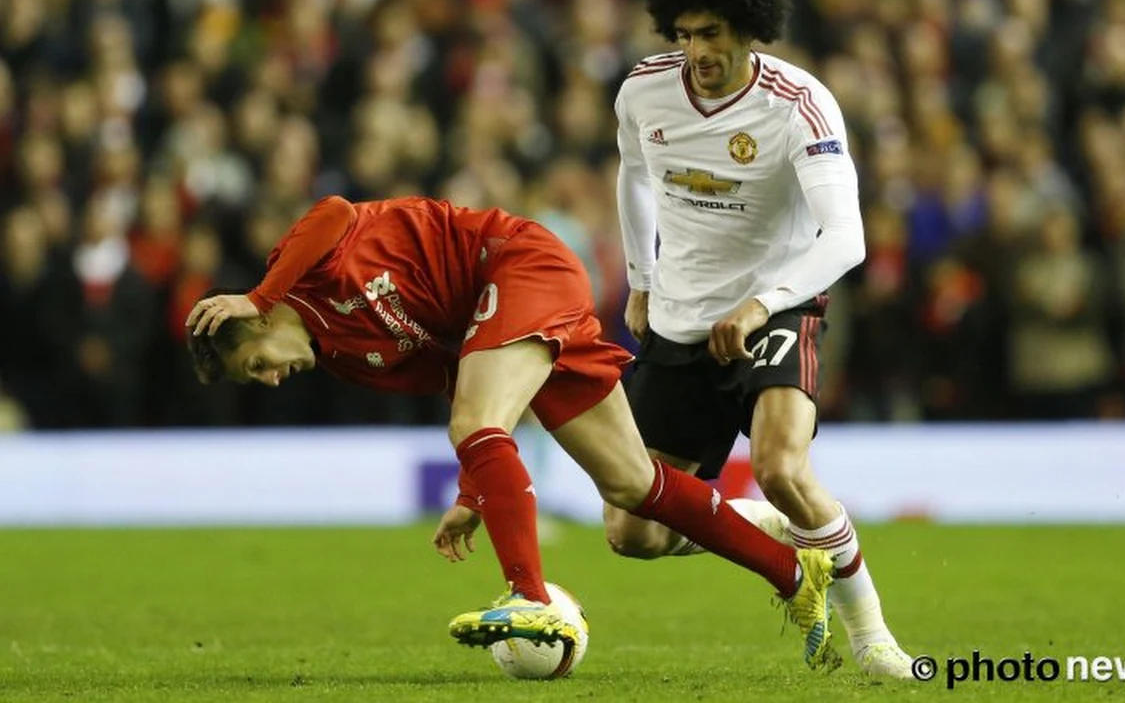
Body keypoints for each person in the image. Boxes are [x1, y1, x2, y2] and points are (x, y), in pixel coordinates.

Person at [184, 193, 836, 658]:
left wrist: (258, 293)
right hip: (500, 318)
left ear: (261, 323)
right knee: (634, 487)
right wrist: (473, 493)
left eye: (256, 364)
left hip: (517, 264)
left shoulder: (301, 272)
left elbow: (333, 210)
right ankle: (791, 574)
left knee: (479, 424)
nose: (270, 378)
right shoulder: (351, 360)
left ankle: (529, 594)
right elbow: (458, 383)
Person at [606, 0, 914, 678]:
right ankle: (770, 529)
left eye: (710, 32)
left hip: (775, 306)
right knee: (631, 533)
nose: (696, 51)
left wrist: (760, 304)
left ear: (748, 27)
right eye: (683, 34)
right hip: (680, 318)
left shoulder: (798, 105)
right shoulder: (643, 90)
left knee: (780, 465)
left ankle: (874, 642)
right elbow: (633, 176)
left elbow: (847, 238)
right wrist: (641, 279)